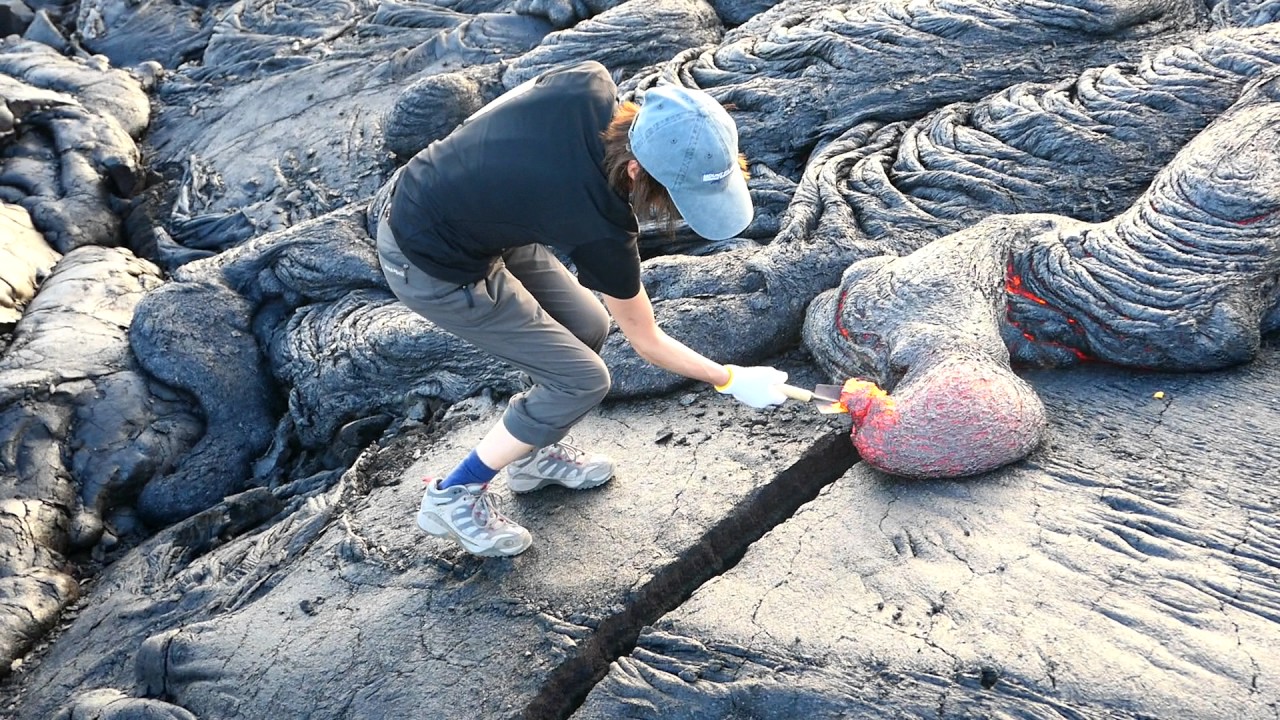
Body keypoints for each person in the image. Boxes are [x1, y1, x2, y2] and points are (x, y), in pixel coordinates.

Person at [376, 60, 788, 557]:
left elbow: (501, 111)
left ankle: (532, 454)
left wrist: (490, 180)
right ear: (636, 170)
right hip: (428, 259)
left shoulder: (588, 84)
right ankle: (454, 494)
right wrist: (729, 379)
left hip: (492, 216)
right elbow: (648, 341)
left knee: (589, 324)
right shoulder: (599, 226)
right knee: (584, 380)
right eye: (676, 196)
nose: (673, 210)